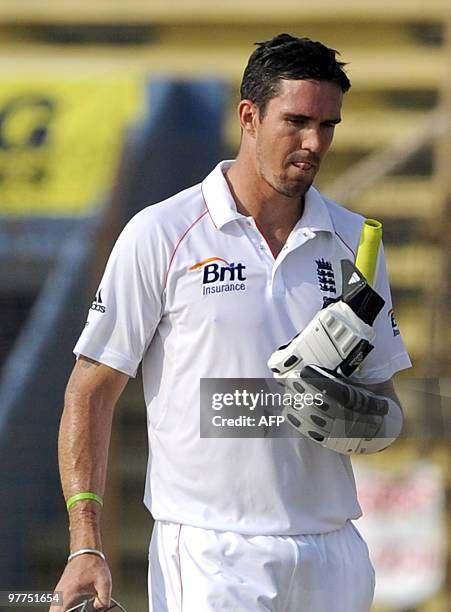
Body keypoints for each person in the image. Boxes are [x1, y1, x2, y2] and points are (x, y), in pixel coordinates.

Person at [51, 33, 411, 612]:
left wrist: (363, 416)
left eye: (328, 125)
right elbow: (88, 394)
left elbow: (386, 400)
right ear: (249, 115)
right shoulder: (161, 233)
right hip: (211, 552)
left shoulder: (354, 241)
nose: (313, 143)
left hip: (334, 549)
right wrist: (84, 542)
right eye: (296, 121)